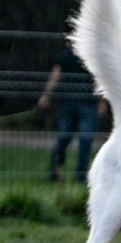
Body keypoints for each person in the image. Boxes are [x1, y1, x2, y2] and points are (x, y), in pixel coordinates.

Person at [39, 42, 105, 182]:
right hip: (87, 103)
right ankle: (81, 176)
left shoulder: (65, 55)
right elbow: (97, 80)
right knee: (85, 140)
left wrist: (46, 95)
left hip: (68, 101)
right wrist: (101, 102)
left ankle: (55, 169)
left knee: (64, 136)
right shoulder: (91, 56)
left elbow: (55, 77)